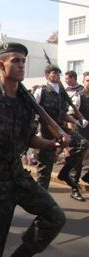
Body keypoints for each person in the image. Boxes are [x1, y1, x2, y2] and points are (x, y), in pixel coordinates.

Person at [0, 42, 68, 257]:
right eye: (16, 61)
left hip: (18, 175)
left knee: (54, 217)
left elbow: (29, 138)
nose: (22, 65)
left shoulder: (25, 100)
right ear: (1, 66)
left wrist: (51, 143)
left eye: (23, 60)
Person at [34, 64, 88, 201]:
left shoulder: (61, 92)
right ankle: (42, 201)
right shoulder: (42, 91)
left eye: (58, 74)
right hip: (47, 131)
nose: (57, 76)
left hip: (62, 128)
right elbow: (34, 112)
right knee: (45, 169)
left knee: (82, 144)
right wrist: (35, 132)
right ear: (47, 76)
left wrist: (77, 121)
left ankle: (64, 173)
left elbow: (63, 113)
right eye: (54, 73)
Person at [70, 71, 89, 184]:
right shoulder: (79, 96)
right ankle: (74, 184)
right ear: (83, 82)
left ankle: (87, 177)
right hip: (82, 132)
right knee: (79, 159)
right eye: (88, 80)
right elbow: (71, 115)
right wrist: (73, 134)